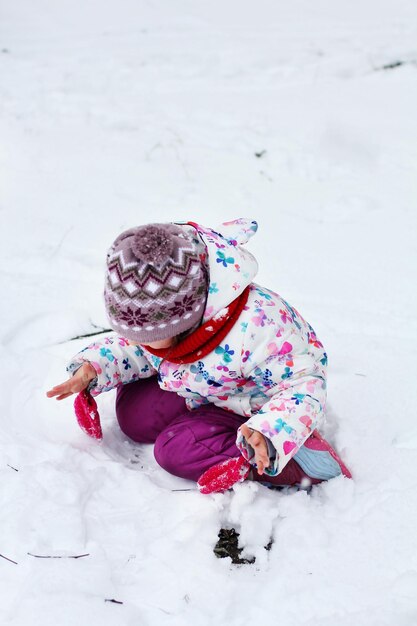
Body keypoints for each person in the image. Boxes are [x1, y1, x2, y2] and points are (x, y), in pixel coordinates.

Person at [46, 218, 351, 492]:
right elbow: (136, 347)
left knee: (175, 449)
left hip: (251, 407)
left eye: (149, 337)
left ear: (186, 321)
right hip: (203, 385)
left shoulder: (258, 327)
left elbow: (303, 385)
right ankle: (203, 420)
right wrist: (94, 367)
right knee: (133, 415)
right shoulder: (166, 322)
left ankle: (295, 462)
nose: (141, 343)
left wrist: (269, 432)